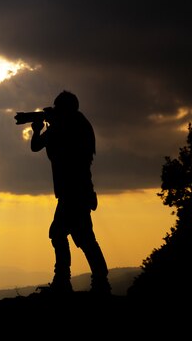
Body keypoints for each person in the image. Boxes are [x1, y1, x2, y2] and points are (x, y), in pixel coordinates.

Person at [30, 90, 111, 295]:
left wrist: (49, 124)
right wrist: (37, 129)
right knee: (82, 237)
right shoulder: (68, 125)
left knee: (64, 234)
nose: (55, 111)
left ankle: (66, 281)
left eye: (58, 108)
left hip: (76, 191)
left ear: (66, 109)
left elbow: (53, 144)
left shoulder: (74, 126)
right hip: (73, 191)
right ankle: (95, 281)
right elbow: (36, 145)